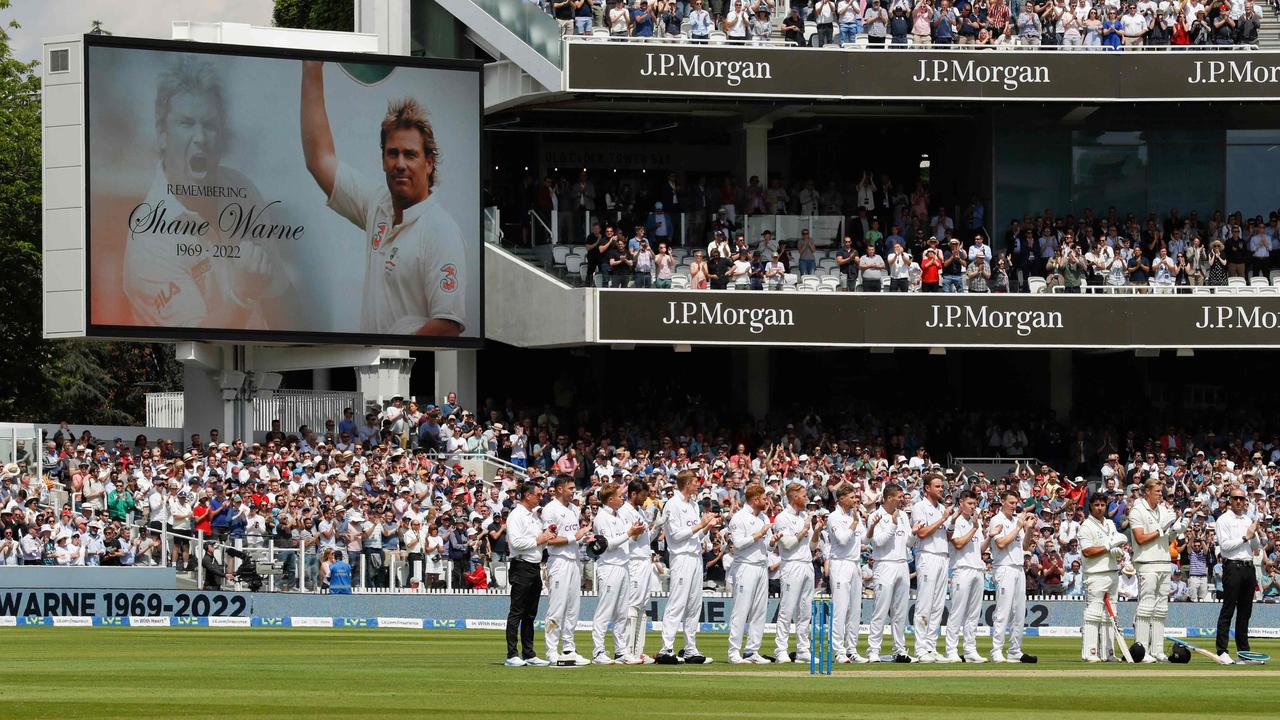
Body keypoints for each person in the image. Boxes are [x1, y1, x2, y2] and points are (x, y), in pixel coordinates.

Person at [300, 60, 466, 336]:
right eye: (393, 153)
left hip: (409, 375)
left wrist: (393, 352)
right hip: (373, 372)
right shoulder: (378, 204)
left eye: (410, 154)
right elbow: (319, 160)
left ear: (429, 163)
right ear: (383, 160)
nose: (400, 163)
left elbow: (447, 325)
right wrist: (311, 67)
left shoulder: (441, 231)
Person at [122, 57, 282, 330]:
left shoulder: (242, 190)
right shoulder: (148, 243)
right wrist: (241, 295)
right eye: (186, 123)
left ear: (221, 135)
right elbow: (196, 343)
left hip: (268, 368)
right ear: (162, 134)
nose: (200, 137)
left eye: (209, 125)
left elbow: (281, 294)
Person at [656, 470, 720, 664]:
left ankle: (690, 649)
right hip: (681, 557)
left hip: (694, 557)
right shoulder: (672, 505)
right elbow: (675, 535)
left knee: (694, 604)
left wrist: (707, 527)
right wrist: (701, 525)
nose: (698, 485)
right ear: (686, 484)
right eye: (695, 482)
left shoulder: (693, 505)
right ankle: (666, 648)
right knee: (677, 602)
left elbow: (694, 536)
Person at [1129, 476, 1183, 662]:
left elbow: (1166, 538)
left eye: (1162, 491)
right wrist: (1160, 530)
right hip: (1146, 563)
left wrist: (1177, 530)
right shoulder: (1137, 510)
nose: (1161, 494)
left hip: (1163, 561)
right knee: (1145, 607)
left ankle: (1157, 650)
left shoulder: (1164, 511)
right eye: (1158, 491)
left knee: (1161, 608)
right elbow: (1140, 538)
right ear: (1147, 492)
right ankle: (1141, 650)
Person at [542, 476, 592, 666]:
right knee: (557, 608)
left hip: (574, 561)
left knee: (573, 609)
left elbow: (575, 536)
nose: (573, 491)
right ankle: (551, 651)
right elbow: (550, 539)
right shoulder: (550, 510)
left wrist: (584, 539)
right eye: (570, 488)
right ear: (559, 489)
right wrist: (575, 537)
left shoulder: (574, 509)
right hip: (559, 562)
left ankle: (569, 648)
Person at [505, 481, 555, 667]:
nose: (540, 497)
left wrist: (546, 537)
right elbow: (515, 544)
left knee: (530, 614)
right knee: (517, 611)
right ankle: (512, 654)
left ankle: (529, 653)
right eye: (538, 494)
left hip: (534, 566)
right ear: (528, 495)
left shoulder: (534, 517)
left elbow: (538, 543)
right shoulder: (516, 515)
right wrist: (538, 539)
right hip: (521, 566)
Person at [590, 484, 642, 664]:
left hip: (623, 565)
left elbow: (628, 540)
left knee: (621, 612)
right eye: (620, 496)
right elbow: (607, 544)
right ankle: (598, 652)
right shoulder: (601, 518)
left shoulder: (619, 516)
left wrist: (634, 532)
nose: (623, 498)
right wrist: (629, 533)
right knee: (605, 611)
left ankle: (621, 651)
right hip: (609, 566)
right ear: (610, 499)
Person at [1215, 489, 1263, 664]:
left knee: (1245, 612)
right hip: (1233, 567)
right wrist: (1245, 536)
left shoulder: (1248, 519)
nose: (1238, 501)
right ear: (1230, 500)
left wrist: (1255, 532)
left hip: (1248, 567)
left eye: (1241, 498)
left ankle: (1244, 652)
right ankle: (1222, 651)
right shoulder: (1223, 520)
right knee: (1228, 609)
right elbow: (1225, 547)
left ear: (1245, 501)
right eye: (1235, 498)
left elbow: (1256, 547)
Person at [727, 483, 773, 664]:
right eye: (763, 499)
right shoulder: (739, 518)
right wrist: (758, 534)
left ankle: (752, 651)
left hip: (762, 565)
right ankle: (733, 652)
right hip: (745, 566)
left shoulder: (762, 517)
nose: (766, 501)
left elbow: (768, 545)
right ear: (755, 500)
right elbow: (737, 544)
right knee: (741, 610)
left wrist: (772, 541)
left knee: (759, 611)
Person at [867, 483, 914, 663]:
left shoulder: (902, 515)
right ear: (888, 498)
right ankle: (873, 650)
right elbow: (877, 542)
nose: (902, 500)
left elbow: (908, 542)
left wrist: (915, 534)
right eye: (898, 497)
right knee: (880, 610)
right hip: (884, 565)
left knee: (900, 612)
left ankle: (900, 650)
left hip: (902, 564)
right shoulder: (875, 515)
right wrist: (893, 525)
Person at [774, 484, 820, 663]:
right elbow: (787, 544)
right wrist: (805, 529)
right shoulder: (782, 517)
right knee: (786, 610)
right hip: (791, 565)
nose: (807, 498)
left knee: (805, 611)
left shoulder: (803, 517)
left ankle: (802, 650)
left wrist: (815, 532)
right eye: (803, 495)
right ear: (794, 497)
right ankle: (781, 650)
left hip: (807, 563)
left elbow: (812, 546)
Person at [989, 490, 1036, 663]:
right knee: (1003, 611)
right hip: (1004, 567)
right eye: (1010, 502)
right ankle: (996, 650)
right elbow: (1000, 543)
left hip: (1018, 567)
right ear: (1002, 501)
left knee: (1018, 612)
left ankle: (1015, 650)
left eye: (1016, 503)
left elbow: (1024, 545)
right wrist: (1018, 526)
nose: (1014, 506)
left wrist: (1028, 529)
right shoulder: (997, 520)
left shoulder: (1016, 520)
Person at [911, 472, 954, 663]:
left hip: (943, 556)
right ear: (927, 488)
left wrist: (950, 521)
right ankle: (920, 649)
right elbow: (921, 533)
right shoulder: (919, 507)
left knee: (937, 606)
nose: (941, 489)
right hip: (927, 556)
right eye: (937, 486)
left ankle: (931, 647)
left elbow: (948, 536)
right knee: (924, 604)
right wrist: (943, 519)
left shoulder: (942, 508)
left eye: (941, 486)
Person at [1078, 491, 1125, 662]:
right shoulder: (1086, 526)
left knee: (1110, 615)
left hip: (1112, 572)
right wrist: (1108, 546)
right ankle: (1090, 652)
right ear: (1090, 505)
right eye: (1096, 505)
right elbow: (1087, 551)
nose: (1099, 508)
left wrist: (1118, 552)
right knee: (1093, 614)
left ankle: (1108, 653)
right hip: (1095, 575)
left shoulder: (1111, 524)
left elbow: (1114, 545)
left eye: (1102, 505)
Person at [941, 490, 987, 663]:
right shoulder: (955, 521)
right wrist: (974, 528)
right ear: (961, 503)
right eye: (970, 503)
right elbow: (958, 543)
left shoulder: (976, 522)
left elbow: (980, 548)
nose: (973, 507)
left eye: (975, 504)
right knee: (957, 612)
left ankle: (970, 649)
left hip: (977, 568)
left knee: (974, 613)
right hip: (961, 568)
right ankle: (951, 650)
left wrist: (989, 536)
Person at [827, 483, 868, 664]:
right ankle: (839, 651)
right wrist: (854, 523)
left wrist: (865, 523)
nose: (854, 500)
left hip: (855, 564)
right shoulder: (834, 517)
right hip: (840, 564)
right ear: (842, 498)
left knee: (854, 610)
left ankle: (851, 649)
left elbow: (865, 538)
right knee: (840, 609)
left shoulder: (854, 515)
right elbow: (842, 540)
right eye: (851, 497)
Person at [619, 479, 657, 663]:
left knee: (642, 607)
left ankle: (638, 651)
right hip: (633, 562)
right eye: (643, 495)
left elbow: (645, 539)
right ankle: (626, 651)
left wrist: (656, 525)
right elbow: (626, 540)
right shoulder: (624, 512)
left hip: (644, 561)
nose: (646, 498)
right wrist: (636, 533)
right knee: (632, 605)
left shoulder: (639, 511)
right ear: (633, 493)